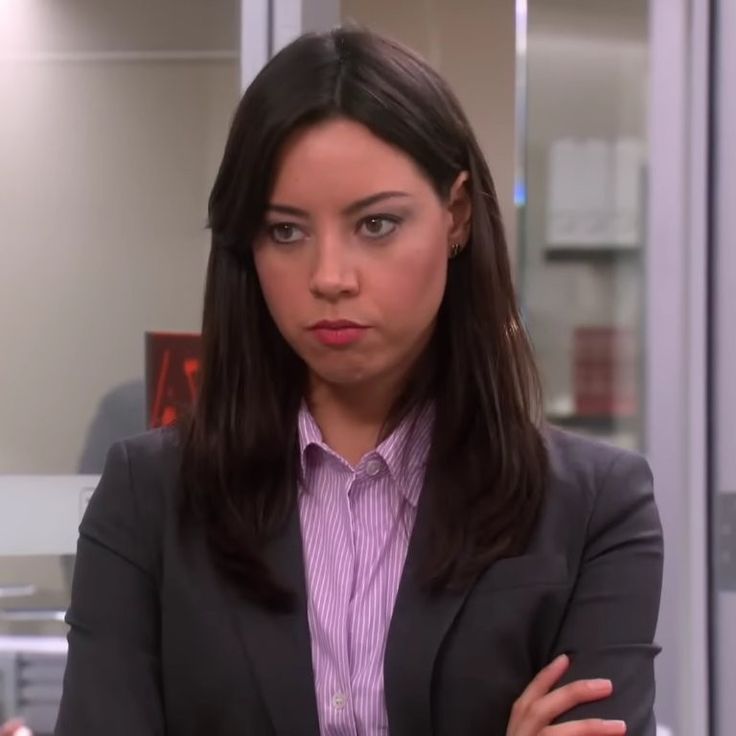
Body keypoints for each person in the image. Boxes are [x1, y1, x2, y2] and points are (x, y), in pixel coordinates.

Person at [54, 27, 663, 736]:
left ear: (457, 216)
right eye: (286, 232)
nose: (330, 278)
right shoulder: (148, 498)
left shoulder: (596, 509)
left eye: (376, 224)